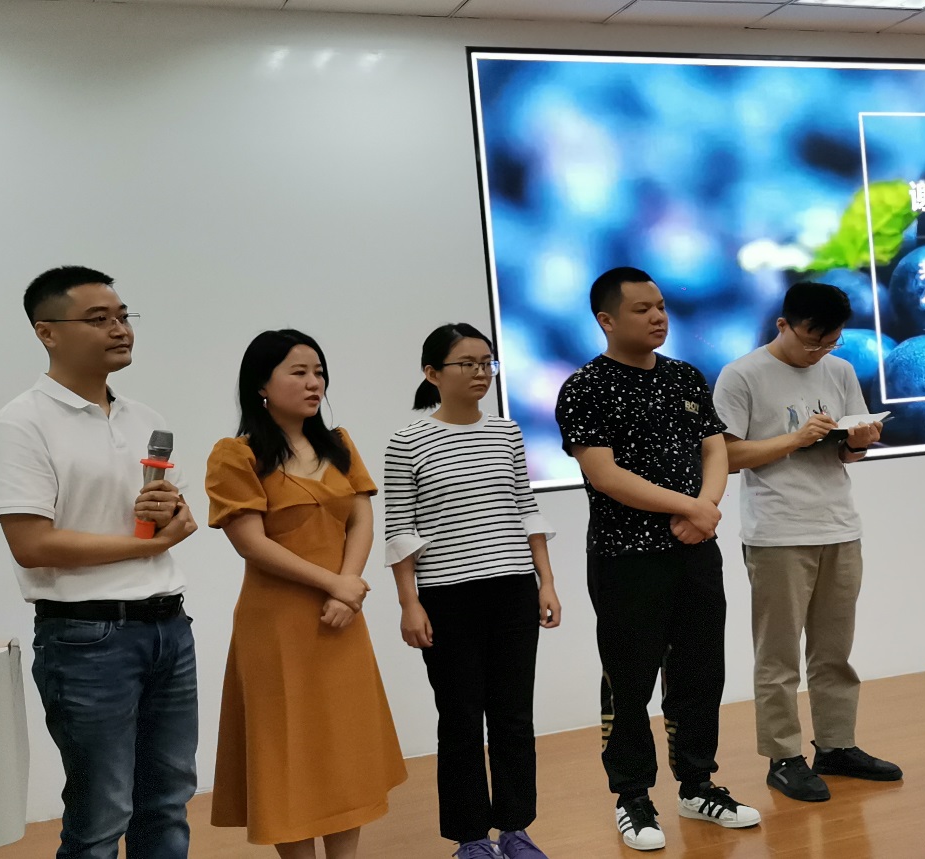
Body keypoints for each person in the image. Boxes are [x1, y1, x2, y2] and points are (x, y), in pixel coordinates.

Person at [0, 265, 199, 859]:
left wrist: (175, 519)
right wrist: (148, 545)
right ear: (46, 332)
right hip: (87, 639)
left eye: (124, 317)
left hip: (169, 627)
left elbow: (173, 518)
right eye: (99, 319)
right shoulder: (21, 423)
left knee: (169, 803)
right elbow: (32, 544)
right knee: (101, 817)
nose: (120, 329)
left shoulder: (145, 418)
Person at [554, 267, 761, 852]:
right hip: (626, 559)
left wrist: (705, 508)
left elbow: (715, 451)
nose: (658, 317)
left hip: (695, 552)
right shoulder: (585, 387)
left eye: (662, 306)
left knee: (700, 672)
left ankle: (697, 785)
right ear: (606, 320)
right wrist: (690, 507)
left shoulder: (685, 377)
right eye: (642, 309)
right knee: (629, 681)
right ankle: (632, 797)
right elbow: (604, 474)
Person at [204, 329, 406, 858]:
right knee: (286, 751)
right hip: (277, 625)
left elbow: (362, 518)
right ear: (261, 385)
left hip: (342, 616)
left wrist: (348, 588)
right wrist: (334, 584)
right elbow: (251, 543)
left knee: (343, 747)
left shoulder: (338, 443)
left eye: (318, 372)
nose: (314, 382)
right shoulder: (236, 455)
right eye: (298, 372)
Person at [713, 281, 903, 803]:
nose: (819, 351)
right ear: (783, 325)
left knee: (834, 652)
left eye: (830, 341)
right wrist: (795, 438)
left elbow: (848, 452)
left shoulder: (839, 371)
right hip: (777, 533)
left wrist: (859, 443)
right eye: (810, 340)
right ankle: (783, 757)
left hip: (840, 525)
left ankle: (837, 746)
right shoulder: (741, 375)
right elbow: (725, 455)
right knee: (778, 658)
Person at [385, 323, 561, 859]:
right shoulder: (407, 441)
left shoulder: (507, 433)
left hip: (513, 588)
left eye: (487, 362)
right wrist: (409, 602)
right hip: (447, 596)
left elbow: (525, 508)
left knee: (514, 715)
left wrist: (547, 581)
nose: (481, 372)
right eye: (468, 363)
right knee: (460, 717)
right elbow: (400, 529)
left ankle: (515, 828)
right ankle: (470, 838)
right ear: (432, 373)